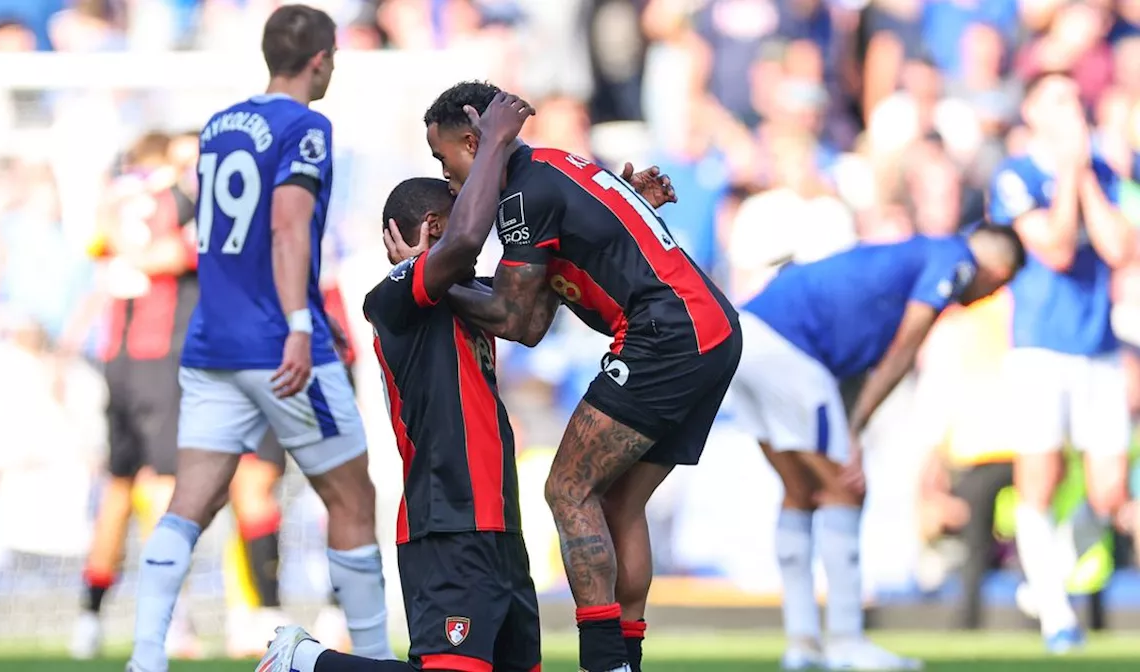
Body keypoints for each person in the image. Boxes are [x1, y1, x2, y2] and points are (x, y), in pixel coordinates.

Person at [414, 80, 741, 672]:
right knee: (618, 502)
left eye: (446, 160)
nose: (448, 180)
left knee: (567, 489)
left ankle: (603, 664)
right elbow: (534, 323)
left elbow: (512, 314)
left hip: (667, 333)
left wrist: (426, 282)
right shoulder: (557, 167)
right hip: (710, 329)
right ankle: (626, 661)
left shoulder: (521, 196)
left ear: (473, 141)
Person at [127, 6, 392, 671]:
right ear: (321, 60)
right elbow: (287, 223)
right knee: (352, 496)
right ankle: (375, 652)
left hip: (212, 344)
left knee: (191, 501)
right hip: (280, 343)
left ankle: (145, 656)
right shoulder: (306, 125)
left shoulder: (218, 126)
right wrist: (301, 326)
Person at [261, 93, 539, 672]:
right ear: (436, 225)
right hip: (445, 520)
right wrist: (492, 142)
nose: (479, 223)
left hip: (500, 523)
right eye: (468, 207)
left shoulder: (468, 292)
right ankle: (306, 661)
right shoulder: (392, 294)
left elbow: (528, 319)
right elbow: (460, 246)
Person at [727, 224, 1025, 670]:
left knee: (800, 492)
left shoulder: (917, 253)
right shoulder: (954, 259)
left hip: (742, 333)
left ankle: (802, 645)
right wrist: (855, 426)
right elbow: (907, 344)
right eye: (996, 288)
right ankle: (846, 642)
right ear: (998, 271)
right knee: (846, 488)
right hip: (789, 344)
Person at [988, 70, 1135, 653]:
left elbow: (1121, 248)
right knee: (1040, 480)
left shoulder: (1104, 170)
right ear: (1031, 112)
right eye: (1057, 98)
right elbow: (1052, 245)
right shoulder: (1015, 176)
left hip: (1097, 345)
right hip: (1040, 348)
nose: (1072, 107)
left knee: (1109, 492)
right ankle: (1056, 614)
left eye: (1075, 97)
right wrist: (1070, 173)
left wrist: (1083, 172)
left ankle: (1047, 577)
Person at [73, 131, 202, 660]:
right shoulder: (180, 199)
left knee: (118, 488)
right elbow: (173, 255)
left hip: (116, 358)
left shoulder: (115, 198)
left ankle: (89, 616)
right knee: (163, 486)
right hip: (158, 356)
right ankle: (169, 618)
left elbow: (98, 248)